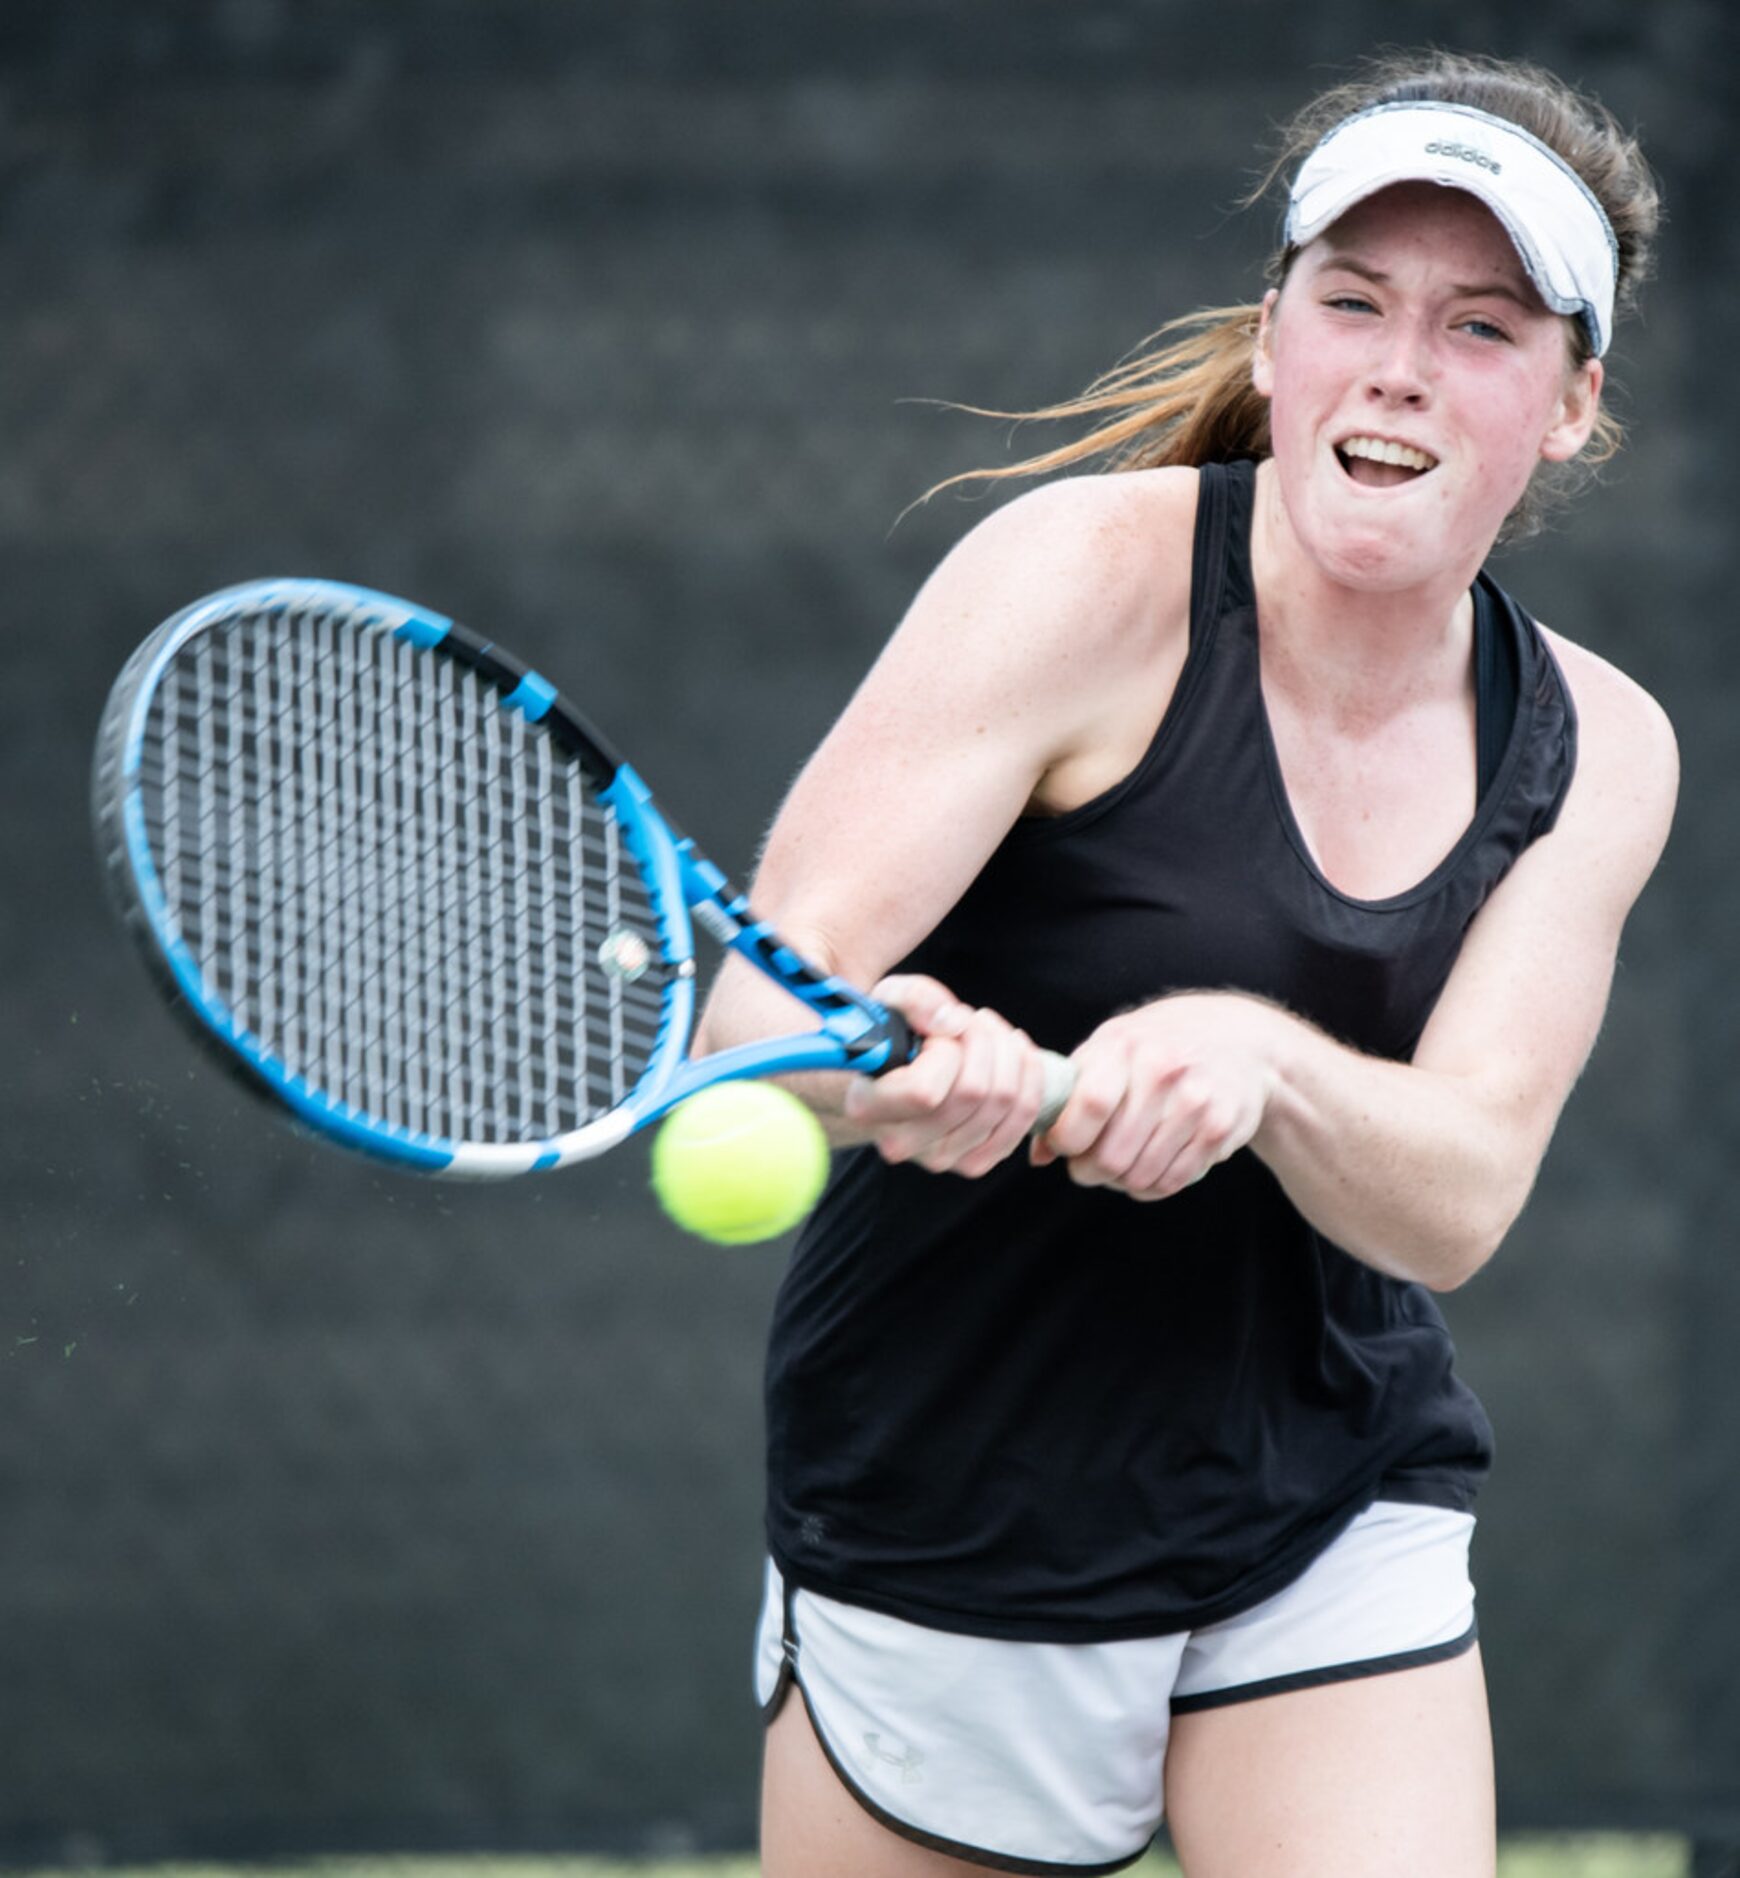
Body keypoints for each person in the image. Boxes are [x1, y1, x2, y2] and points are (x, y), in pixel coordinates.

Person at [697, 48, 1676, 1878]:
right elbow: (765, 993)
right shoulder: (1074, 578)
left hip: (1323, 1493)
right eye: (1354, 301)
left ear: (1568, 404)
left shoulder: (1601, 746)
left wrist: (1266, 1060)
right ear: (1276, 340)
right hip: (953, 1492)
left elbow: (1457, 1197)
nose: (1400, 361)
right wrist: (880, 1063)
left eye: (1481, 326)